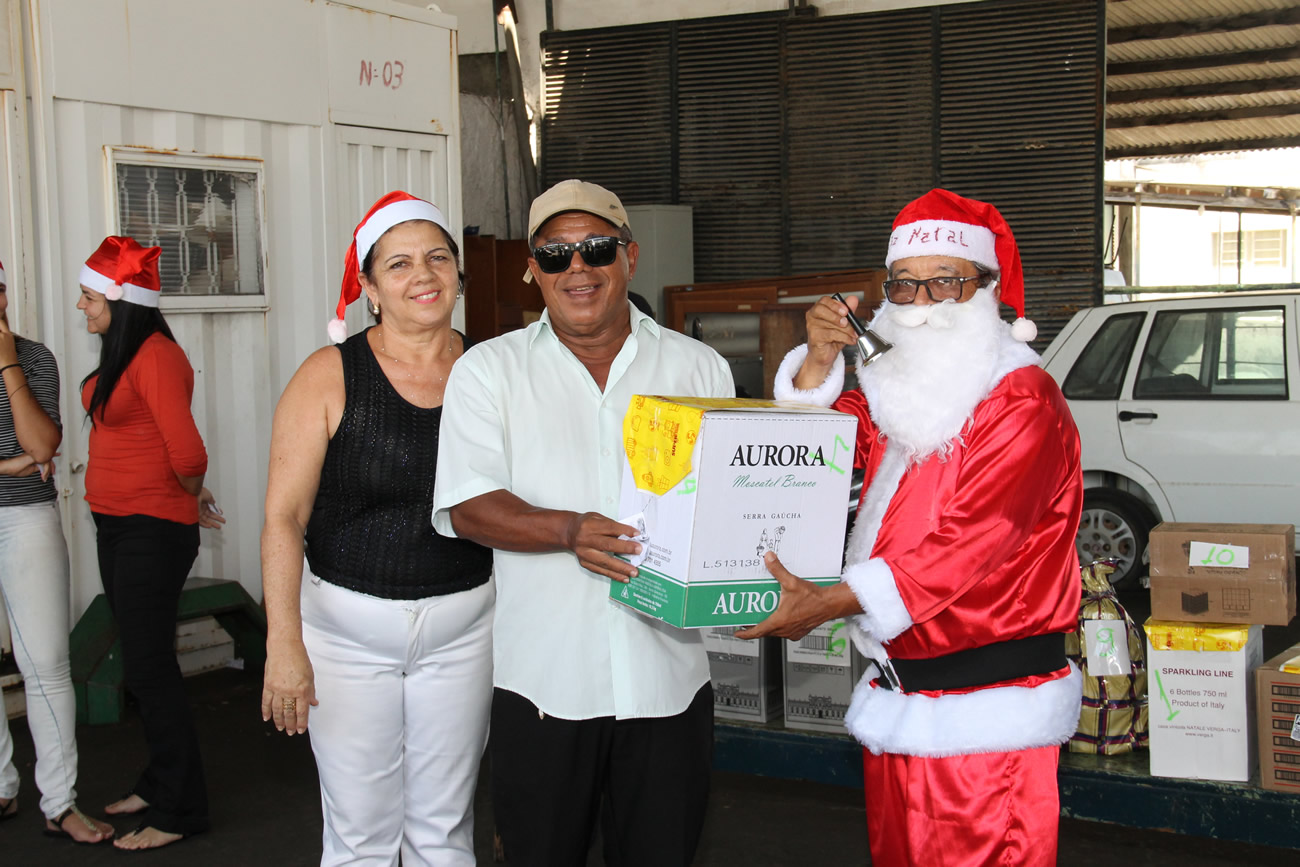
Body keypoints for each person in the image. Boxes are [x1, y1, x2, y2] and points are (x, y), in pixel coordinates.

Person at [738, 189, 1083, 866]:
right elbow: (823, 449)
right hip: (903, 698)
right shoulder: (905, 392)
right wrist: (816, 361)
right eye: (903, 284)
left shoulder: (1022, 400)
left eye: (945, 282)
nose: (921, 305)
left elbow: (972, 542)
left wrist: (833, 601)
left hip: (988, 719)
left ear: (986, 289)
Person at [433, 179, 734, 866]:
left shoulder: (698, 368)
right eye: (555, 253)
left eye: (596, 248)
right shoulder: (488, 371)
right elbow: (468, 504)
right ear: (532, 268)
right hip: (544, 685)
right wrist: (567, 530)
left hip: (666, 684)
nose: (578, 268)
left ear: (630, 256)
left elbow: (725, 506)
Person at [260, 191, 494, 867]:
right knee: (361, 836)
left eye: (437, 257)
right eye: (399, 263)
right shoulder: (328, 375)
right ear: (369, 288)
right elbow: (282, 517)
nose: (423, 275)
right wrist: (283, 641)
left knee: (444, 830)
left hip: (464, 632)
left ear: (457, 273)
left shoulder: (492, 371)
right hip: (346, 639)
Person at [76, 236, 225, 851]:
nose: (82, 307)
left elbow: (187, 453)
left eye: (89, 298)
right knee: (144, 663)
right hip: (117, 523)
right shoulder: (127, 352)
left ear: (119, 300)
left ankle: (181, 809)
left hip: (150, 529)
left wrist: (186, 493)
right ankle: (159, 778)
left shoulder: (156, 356)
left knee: (150, 669)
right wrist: (188, 490)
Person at [0, 258, 115, 844]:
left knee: (45, 661)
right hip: (19, 492)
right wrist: (11, 465)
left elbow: (43, 444)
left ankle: (60, 802)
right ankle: (2, 785)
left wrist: (6, 362)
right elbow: (30, 455)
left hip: (25, 515)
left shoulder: (35, 358)